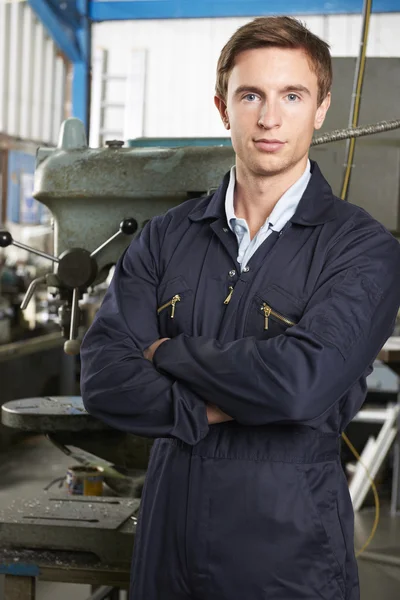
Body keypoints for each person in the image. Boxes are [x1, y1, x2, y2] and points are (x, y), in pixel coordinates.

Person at [80, 16, 400, 600]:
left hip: (286, 559)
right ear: (224, 108)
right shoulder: (165, 237)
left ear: (322, 108)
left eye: (292, 96)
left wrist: (167, 352)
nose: (269, 118)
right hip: (166, 552)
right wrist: (218, 405)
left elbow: (299, 385)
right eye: (250, 95)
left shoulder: (364, 249)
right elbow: (104, 379)